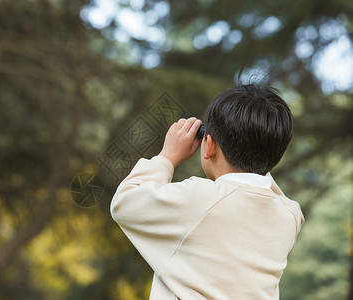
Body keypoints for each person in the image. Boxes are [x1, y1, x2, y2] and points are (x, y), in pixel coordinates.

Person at [110, 84, 305, 300]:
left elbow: (125, 202)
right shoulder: (289, 216)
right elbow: (261, 186)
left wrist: (167, 156)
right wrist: (262, 150)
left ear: (209, 145)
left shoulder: (200, 199)